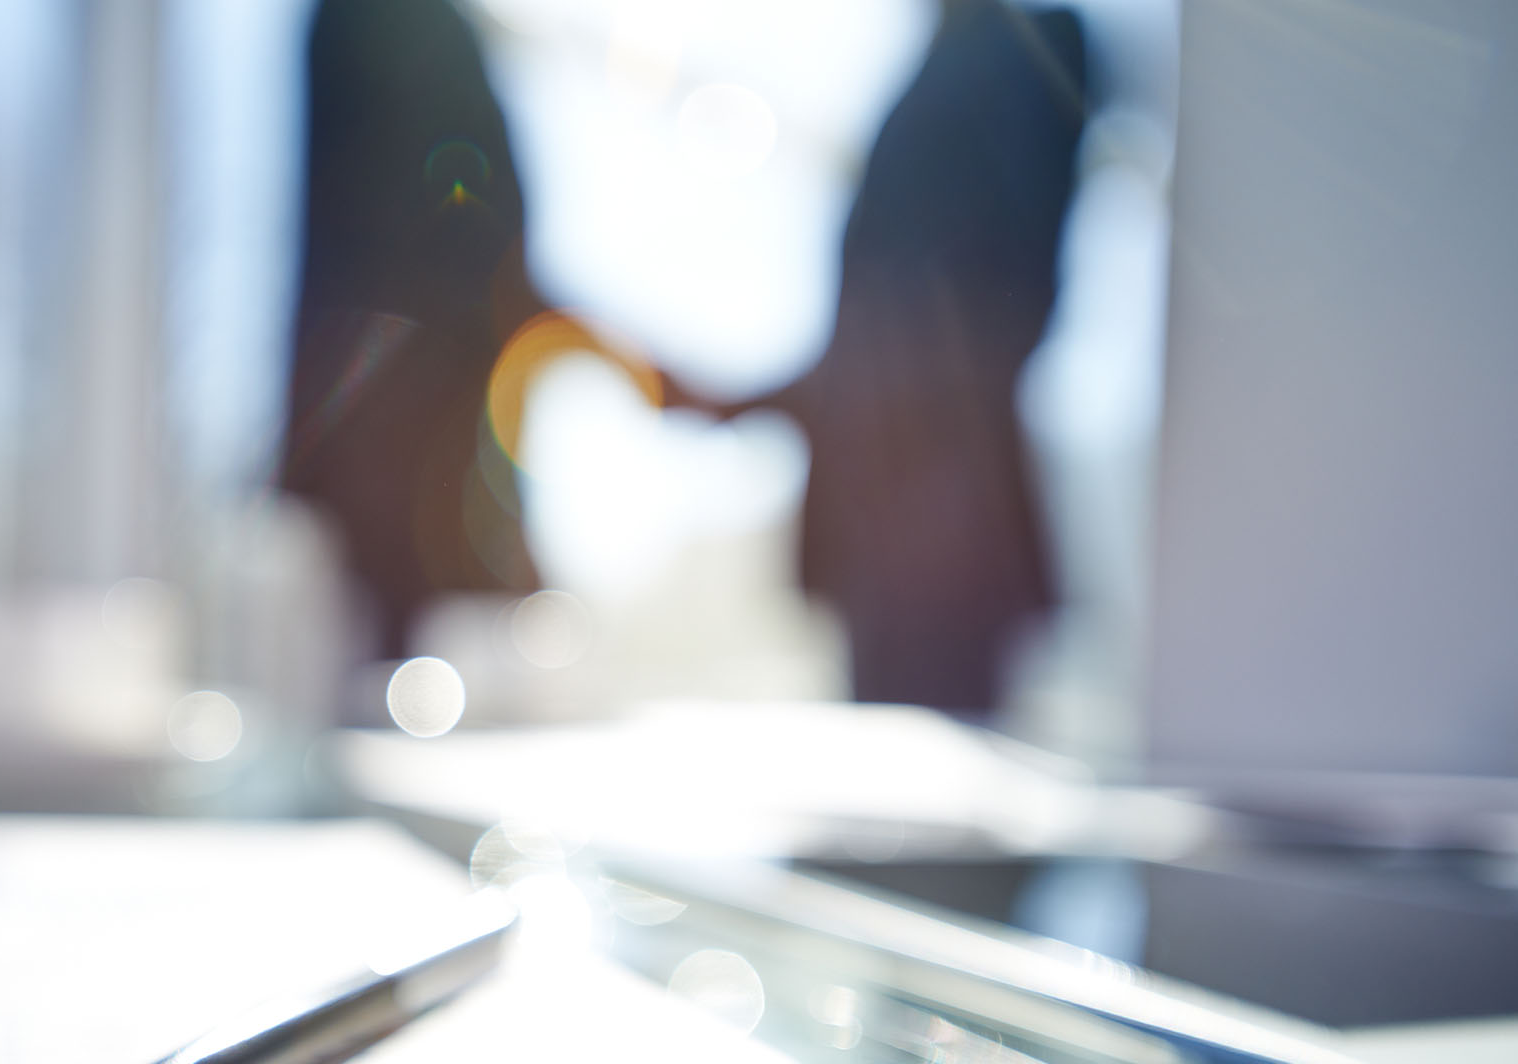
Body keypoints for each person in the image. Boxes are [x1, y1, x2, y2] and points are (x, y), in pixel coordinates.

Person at [720, 0, 1091, 714]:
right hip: (883, 516)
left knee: (939, 745)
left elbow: (996, 301)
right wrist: (765, 400)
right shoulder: (937, 67)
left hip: (944, 513)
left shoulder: (1026, 49)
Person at [279, 0, 658, 661]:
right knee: (397, 679)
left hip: (406, 463)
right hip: (406, 466)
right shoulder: (395, 27)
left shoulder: (401, 30)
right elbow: (458, 264)